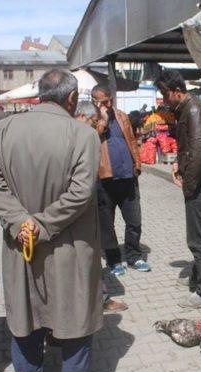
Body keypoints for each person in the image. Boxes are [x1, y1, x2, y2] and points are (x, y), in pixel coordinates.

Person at [0, 69, 103, 372]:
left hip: (20, 242)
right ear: (70, 98)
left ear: (39, 95)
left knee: (25, 311)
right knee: (76, 310)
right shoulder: (83, 134)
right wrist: (42, 223)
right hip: (69, 243)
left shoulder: (3, 130)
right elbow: (81, 194)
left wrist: (22, 222)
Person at [154, 70, 201, 309]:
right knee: (197, 238)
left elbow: (200, 154)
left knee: (198, 241)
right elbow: (190, 149)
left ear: (177, 91)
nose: (163, 99)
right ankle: (197, 277)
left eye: (164, 93)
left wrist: (188, 187)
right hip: (199, 185)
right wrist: (177, 163)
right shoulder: (189, 109)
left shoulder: (193, 110)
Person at [90, 84, 150, 276]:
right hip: (104, 180)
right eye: (104, 101)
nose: (109, 104)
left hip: (127, 176)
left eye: (111, 100)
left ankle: (134, 256)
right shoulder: (90, 119)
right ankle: (114, 260)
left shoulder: (122, 115)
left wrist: (138, 164)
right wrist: (103, 121)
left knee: (134, 220)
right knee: (107, 224)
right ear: (95, 101)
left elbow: (132, 141)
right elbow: (89, 140)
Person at [75, 100, 129, 313]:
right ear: (82, 117)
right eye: (94, 122)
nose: (96, 128)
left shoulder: (81, 134)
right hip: (78, 207)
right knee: (87, 255)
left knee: (90, 255)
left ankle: (100, 298)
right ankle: (99, 299)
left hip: (86, 202)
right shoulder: (73, 136)